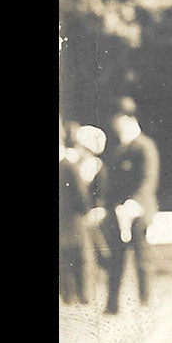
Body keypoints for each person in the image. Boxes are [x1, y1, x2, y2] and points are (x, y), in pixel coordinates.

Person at [100, 111, 160, 315]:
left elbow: (148, 180)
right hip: (119, 212)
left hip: (139, 211)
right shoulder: (120, 150)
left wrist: (134, 204)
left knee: (142, 258)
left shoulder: (145, 146)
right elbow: (113, 185)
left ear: (130, 121)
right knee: (116, 259)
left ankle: (145, 302)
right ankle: (112, 304)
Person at [59, 120, 95, 304]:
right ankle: (82, 295)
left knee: (64, 261)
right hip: (73, 220)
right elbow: (80, 193)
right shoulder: (69, 165)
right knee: (80, 260)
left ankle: (68, 295)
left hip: (64, 220)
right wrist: (86, 210)